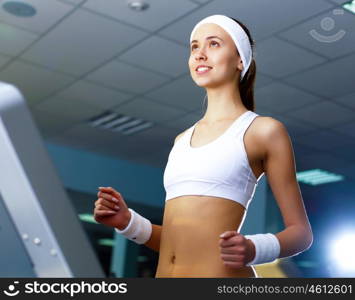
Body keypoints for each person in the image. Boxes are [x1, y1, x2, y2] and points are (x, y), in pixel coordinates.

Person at [93, 14, 313, 278]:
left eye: (214, 44)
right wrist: (129, 223)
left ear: (240, 60)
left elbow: (301, 234)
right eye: (194, 47)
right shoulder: (181, 140)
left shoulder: (263, 131)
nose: (200, 54)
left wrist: (254, 248)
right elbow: (180, 244)